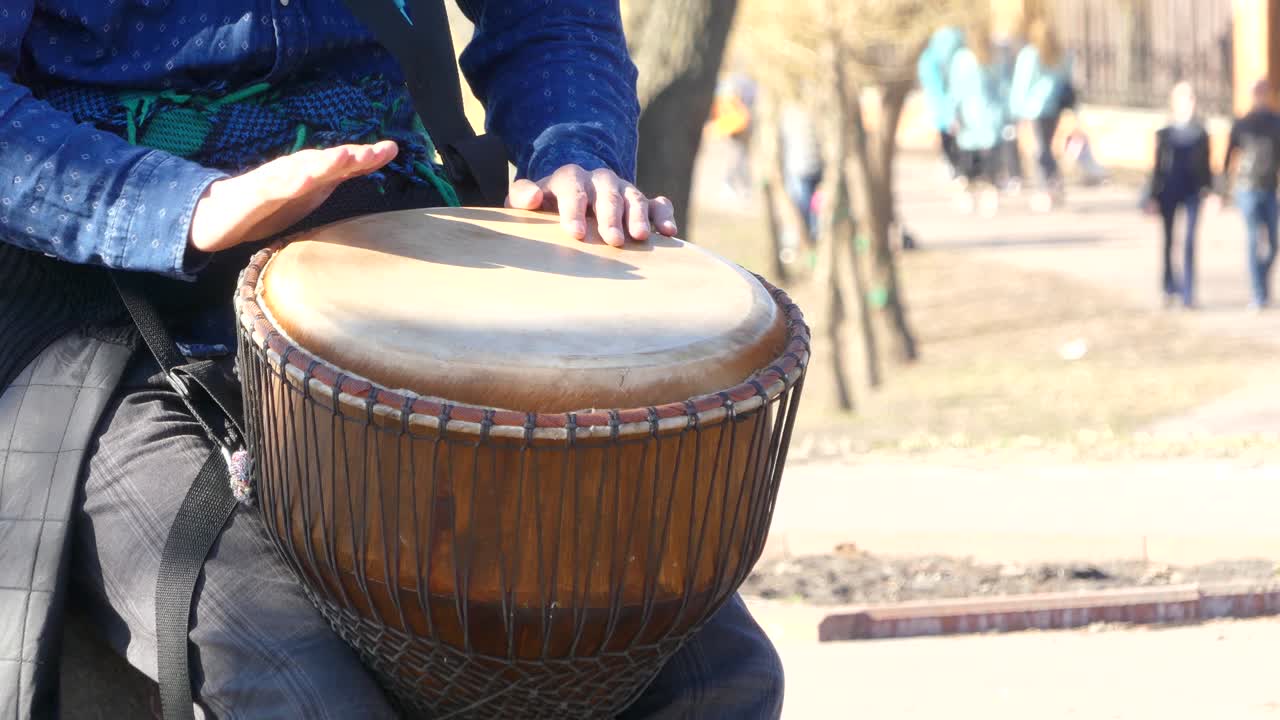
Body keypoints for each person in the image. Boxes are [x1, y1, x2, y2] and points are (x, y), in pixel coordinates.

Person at [0, 3, 784, 719]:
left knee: (715, 679)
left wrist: (572, 150)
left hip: (392, 241)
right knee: (301, 685)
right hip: (101, 293)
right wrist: (185, 209)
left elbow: (551, 14)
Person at [1143, 82, 1213, 309]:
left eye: (1192, 98)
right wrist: (1152, 197)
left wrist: (1212, 192)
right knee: (1169, 240)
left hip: (1193, 192)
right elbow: (1157, 168)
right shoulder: (1164, 134)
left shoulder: (1201, 133)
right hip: (1168, 192)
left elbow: (1207, 167)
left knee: (1190, 241)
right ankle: (1168, 286)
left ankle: (1188, 293)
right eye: (1185, 98)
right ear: (1174, 102)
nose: (1190, 103)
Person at [1221, 79, 1280, 311]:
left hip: (1269, 188)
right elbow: (1229, 156)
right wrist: (1220, 191)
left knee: (1274, 244)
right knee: (1254, 238)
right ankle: (1258, 293)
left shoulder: (1276, 122)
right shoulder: (1242, 123)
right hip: (1246, 188)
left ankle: (1262, 280)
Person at [1010, 18, 1075, 212]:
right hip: (1054, 105)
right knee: (1046, 147)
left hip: (1035, 108)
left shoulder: (1030, 55)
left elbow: (1022, 84)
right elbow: (1066, 79)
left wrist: (1016, 110)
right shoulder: (1062, 55)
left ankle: (1046, 186)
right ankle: (1053, 182)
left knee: (1040, 149)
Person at [948, 22, 1008, 216]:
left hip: (972, 116)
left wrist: (954, 114)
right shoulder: (992, 58)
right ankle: (989, 196)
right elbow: (1003, 87)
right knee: (989, 160)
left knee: (969, 161)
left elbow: (955, 90)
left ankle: (972, 196)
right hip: (988, 117)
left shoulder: (962, 59)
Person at [917, 26, 966, 179]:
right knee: (956, 135)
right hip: (951, 103)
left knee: (948, 136)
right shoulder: (959, 53)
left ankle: (954, 164)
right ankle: (958, 165)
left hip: (941, 104)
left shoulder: (929, 56)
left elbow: (928, 80)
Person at [779, 99, 823, 263]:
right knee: (802, 206)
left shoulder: (796, 112)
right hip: (800, 168)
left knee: (808, 206)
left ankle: (810, 239)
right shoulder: (791, 111)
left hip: (806, 167)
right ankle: (802, 240)